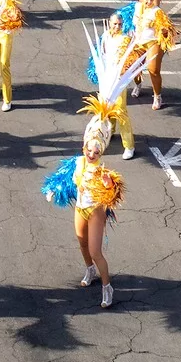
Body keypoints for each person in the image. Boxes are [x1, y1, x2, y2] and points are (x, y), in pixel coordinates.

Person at [43, 22, 141, 308]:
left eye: (97, 150)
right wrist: (51, 191)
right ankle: (88, 270)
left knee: (97, 251)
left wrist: (109, 188)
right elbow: (62, 180)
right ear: (84, 147)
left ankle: (107, 285)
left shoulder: (103, 172)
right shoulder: (77, 162)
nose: (92, 153)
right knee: (81, 242)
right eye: (89, 148)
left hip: (95, 209)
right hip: (80, 207)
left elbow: (112, 195)